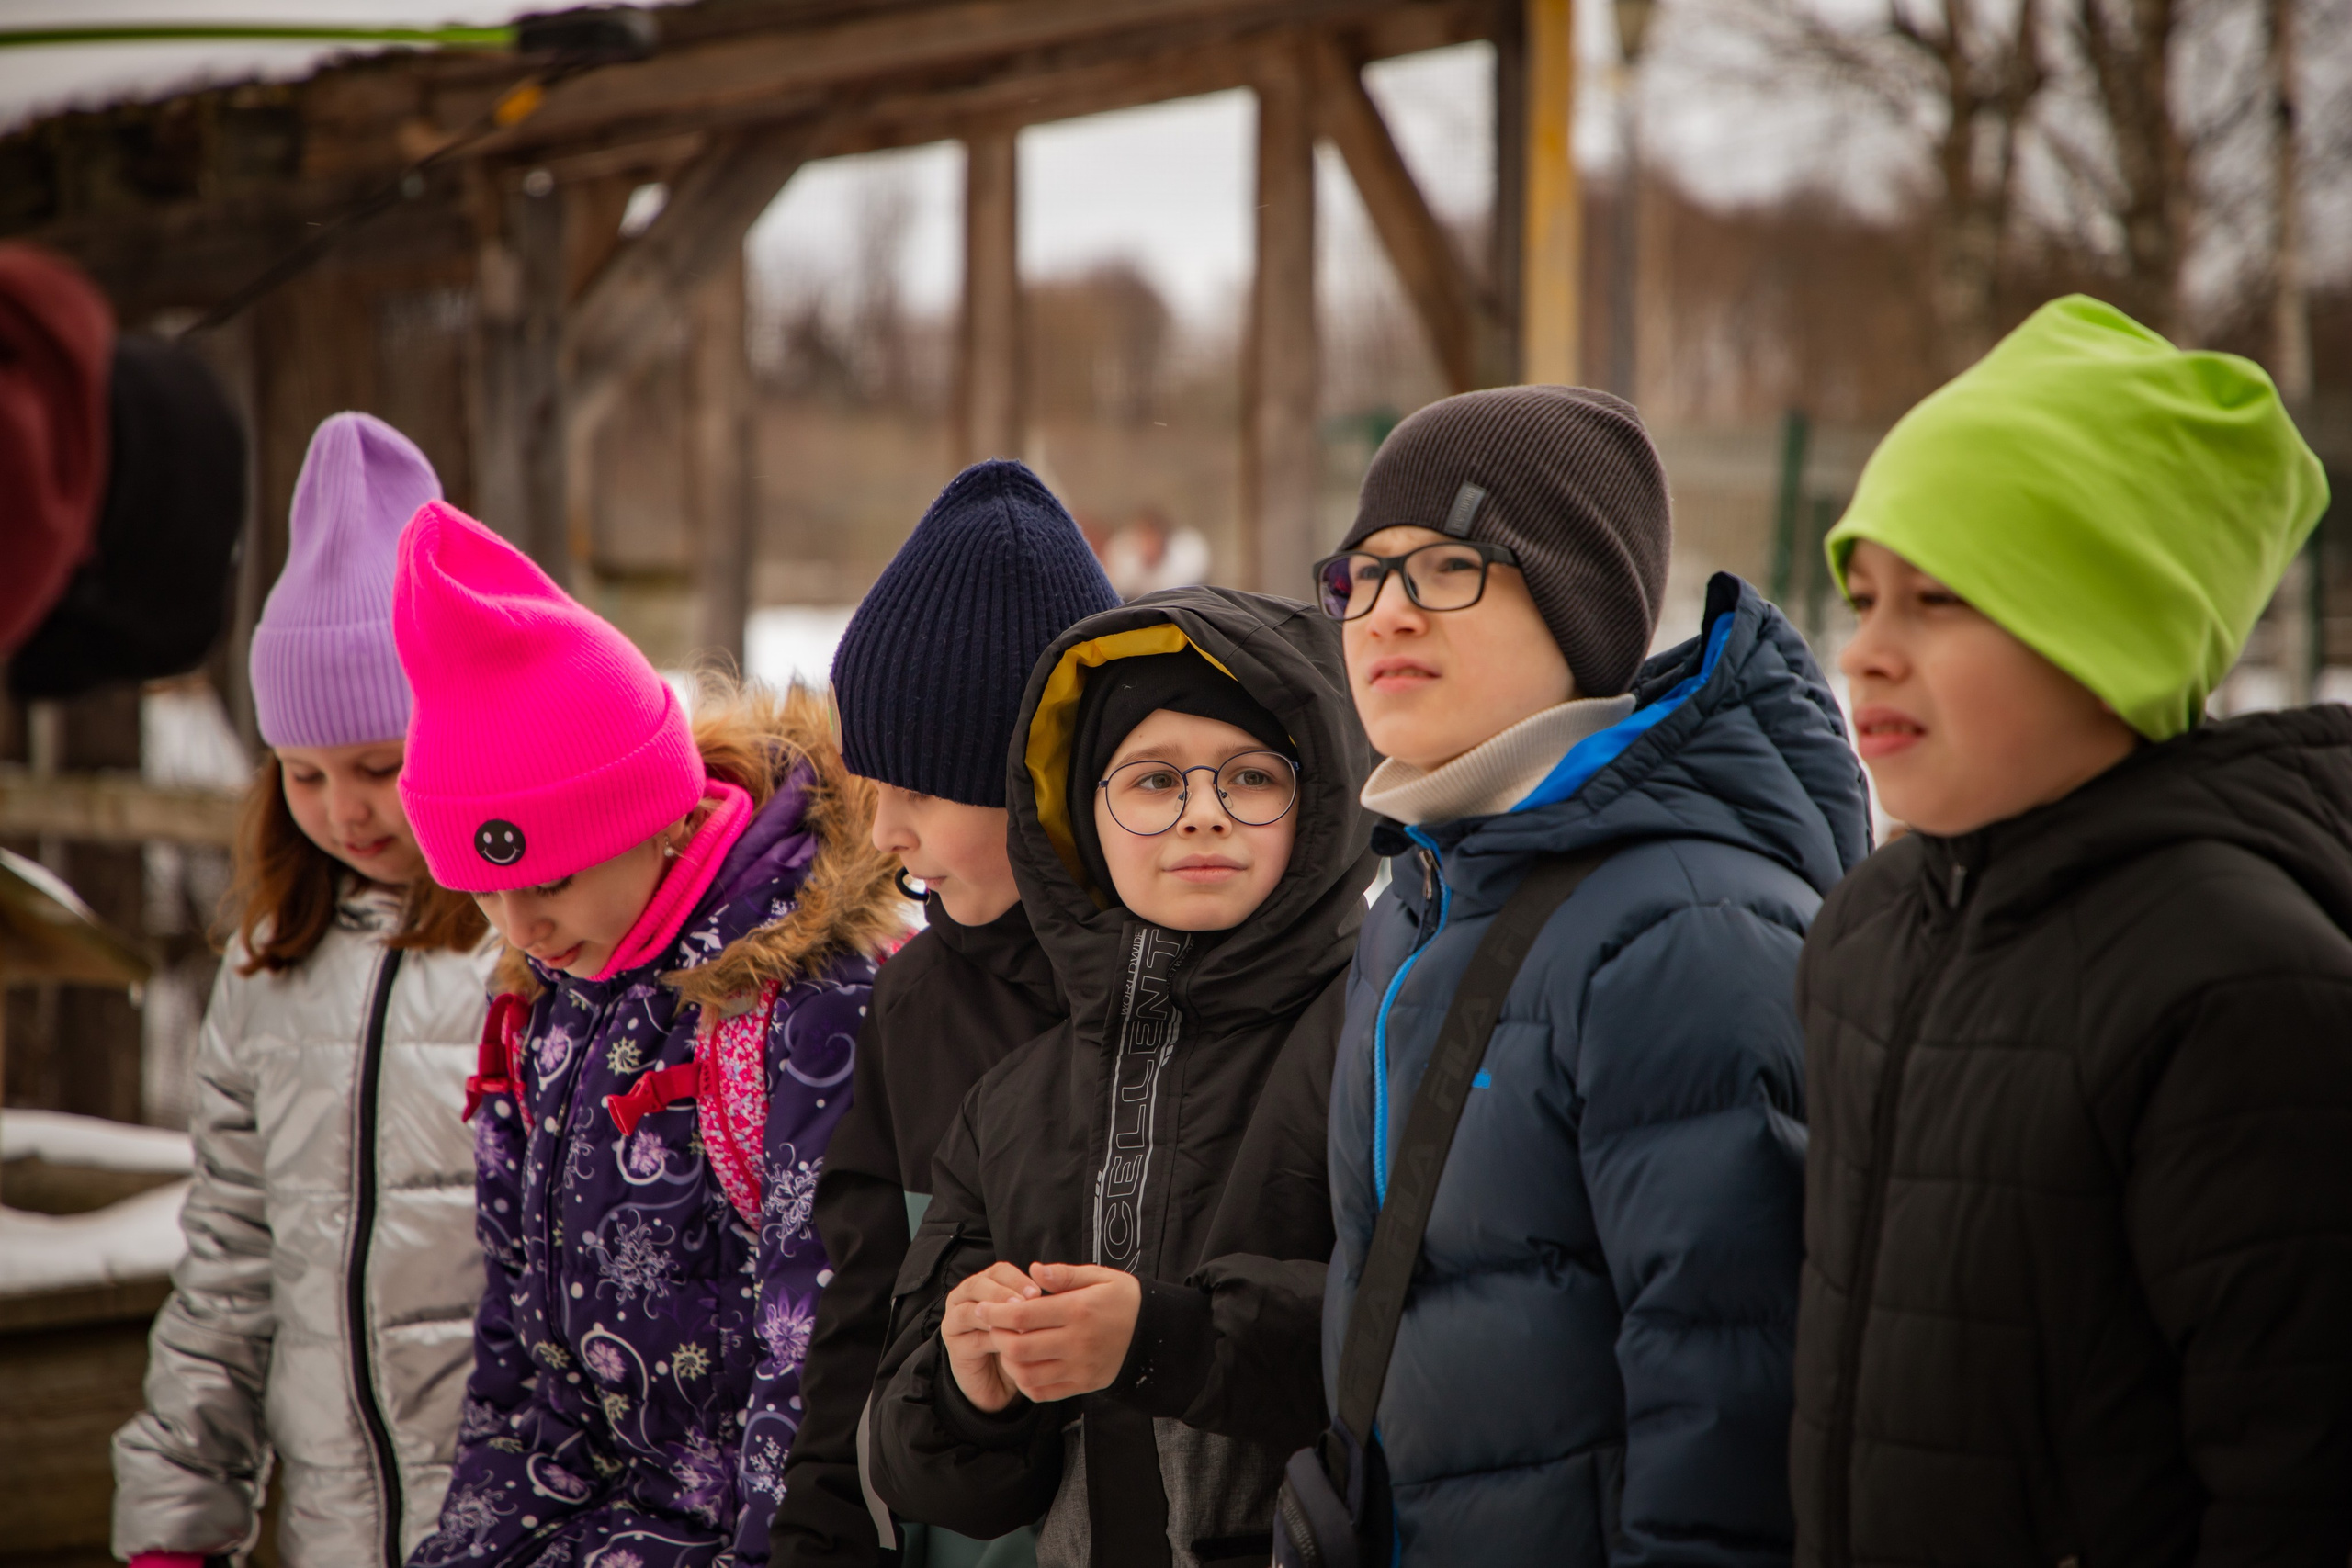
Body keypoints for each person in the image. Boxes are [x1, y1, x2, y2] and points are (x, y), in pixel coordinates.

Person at [1793, 296, 2352, 1565]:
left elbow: (2298, 1478)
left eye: (1937, 599)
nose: (1869, 651)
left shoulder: (2244, 987)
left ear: (2110, 630)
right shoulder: (1866, 929)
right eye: (1863, 594)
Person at [1318, 386, 1871, 1567]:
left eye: (1448, 566)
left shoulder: (1680, 929)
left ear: (1580, 601)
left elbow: (1731, 1407)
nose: (1384, 614)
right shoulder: (1419, 899)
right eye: (1361, 575)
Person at [392, 502, 901, 1567]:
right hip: (607, 1529)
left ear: (656, 814)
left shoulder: (796, 1000)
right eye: (485, 893)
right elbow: (522, 1346)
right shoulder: (544, 1002)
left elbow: (813, 1340)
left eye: (550, 880)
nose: (519, 929)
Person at [867, 588, 1376, 1568]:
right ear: (1074, 818)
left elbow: (1433, 1340)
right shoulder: (1010, 1106)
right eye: (1151, 783)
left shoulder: (1377, 1032)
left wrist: (1170, 1340)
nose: (1201, 818)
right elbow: (931, 1476)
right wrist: (969, 1385)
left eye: (1251, 777)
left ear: (1318, 803)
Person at [111, 413, 497, 1568]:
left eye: (381, 764)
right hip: (330, 1534)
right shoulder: (267, 962)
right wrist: (179, 1514)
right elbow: (229, 1264)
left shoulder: (529, 952)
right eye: (306, 773)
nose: (346, 809)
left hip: (513, 1525)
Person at [771, 458, 1119, 1568]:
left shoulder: (1191, 997)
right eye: (874, 790)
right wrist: (822, 1529)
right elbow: (862, 1309)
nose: (883, 836)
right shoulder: (916, 1001)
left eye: (917, 791)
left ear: (1038, 785)